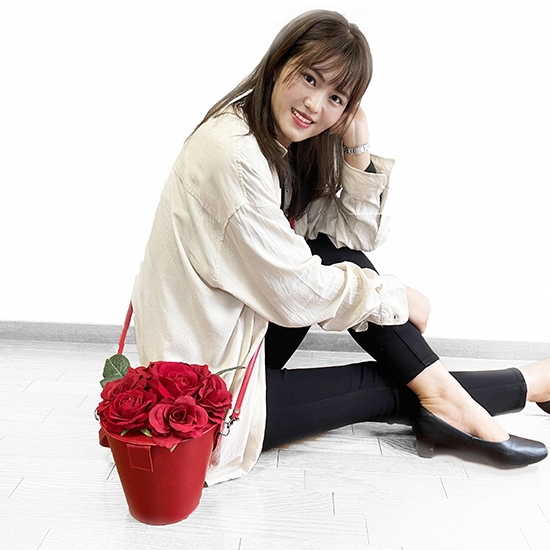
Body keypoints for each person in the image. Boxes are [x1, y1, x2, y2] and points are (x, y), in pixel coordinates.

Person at [131, 9, 550, 485]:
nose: (314, 105)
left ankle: (487, 393)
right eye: (309, 78)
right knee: (386, 383)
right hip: (202, 389)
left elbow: (350, 238)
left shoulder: (264, 138)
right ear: (279, 61)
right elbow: (295, 293)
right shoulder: (234, 155)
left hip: (237, 340)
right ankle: (528, 384)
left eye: (336, 97)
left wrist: (357, 147)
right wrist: (394, 296)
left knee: (333, 255)